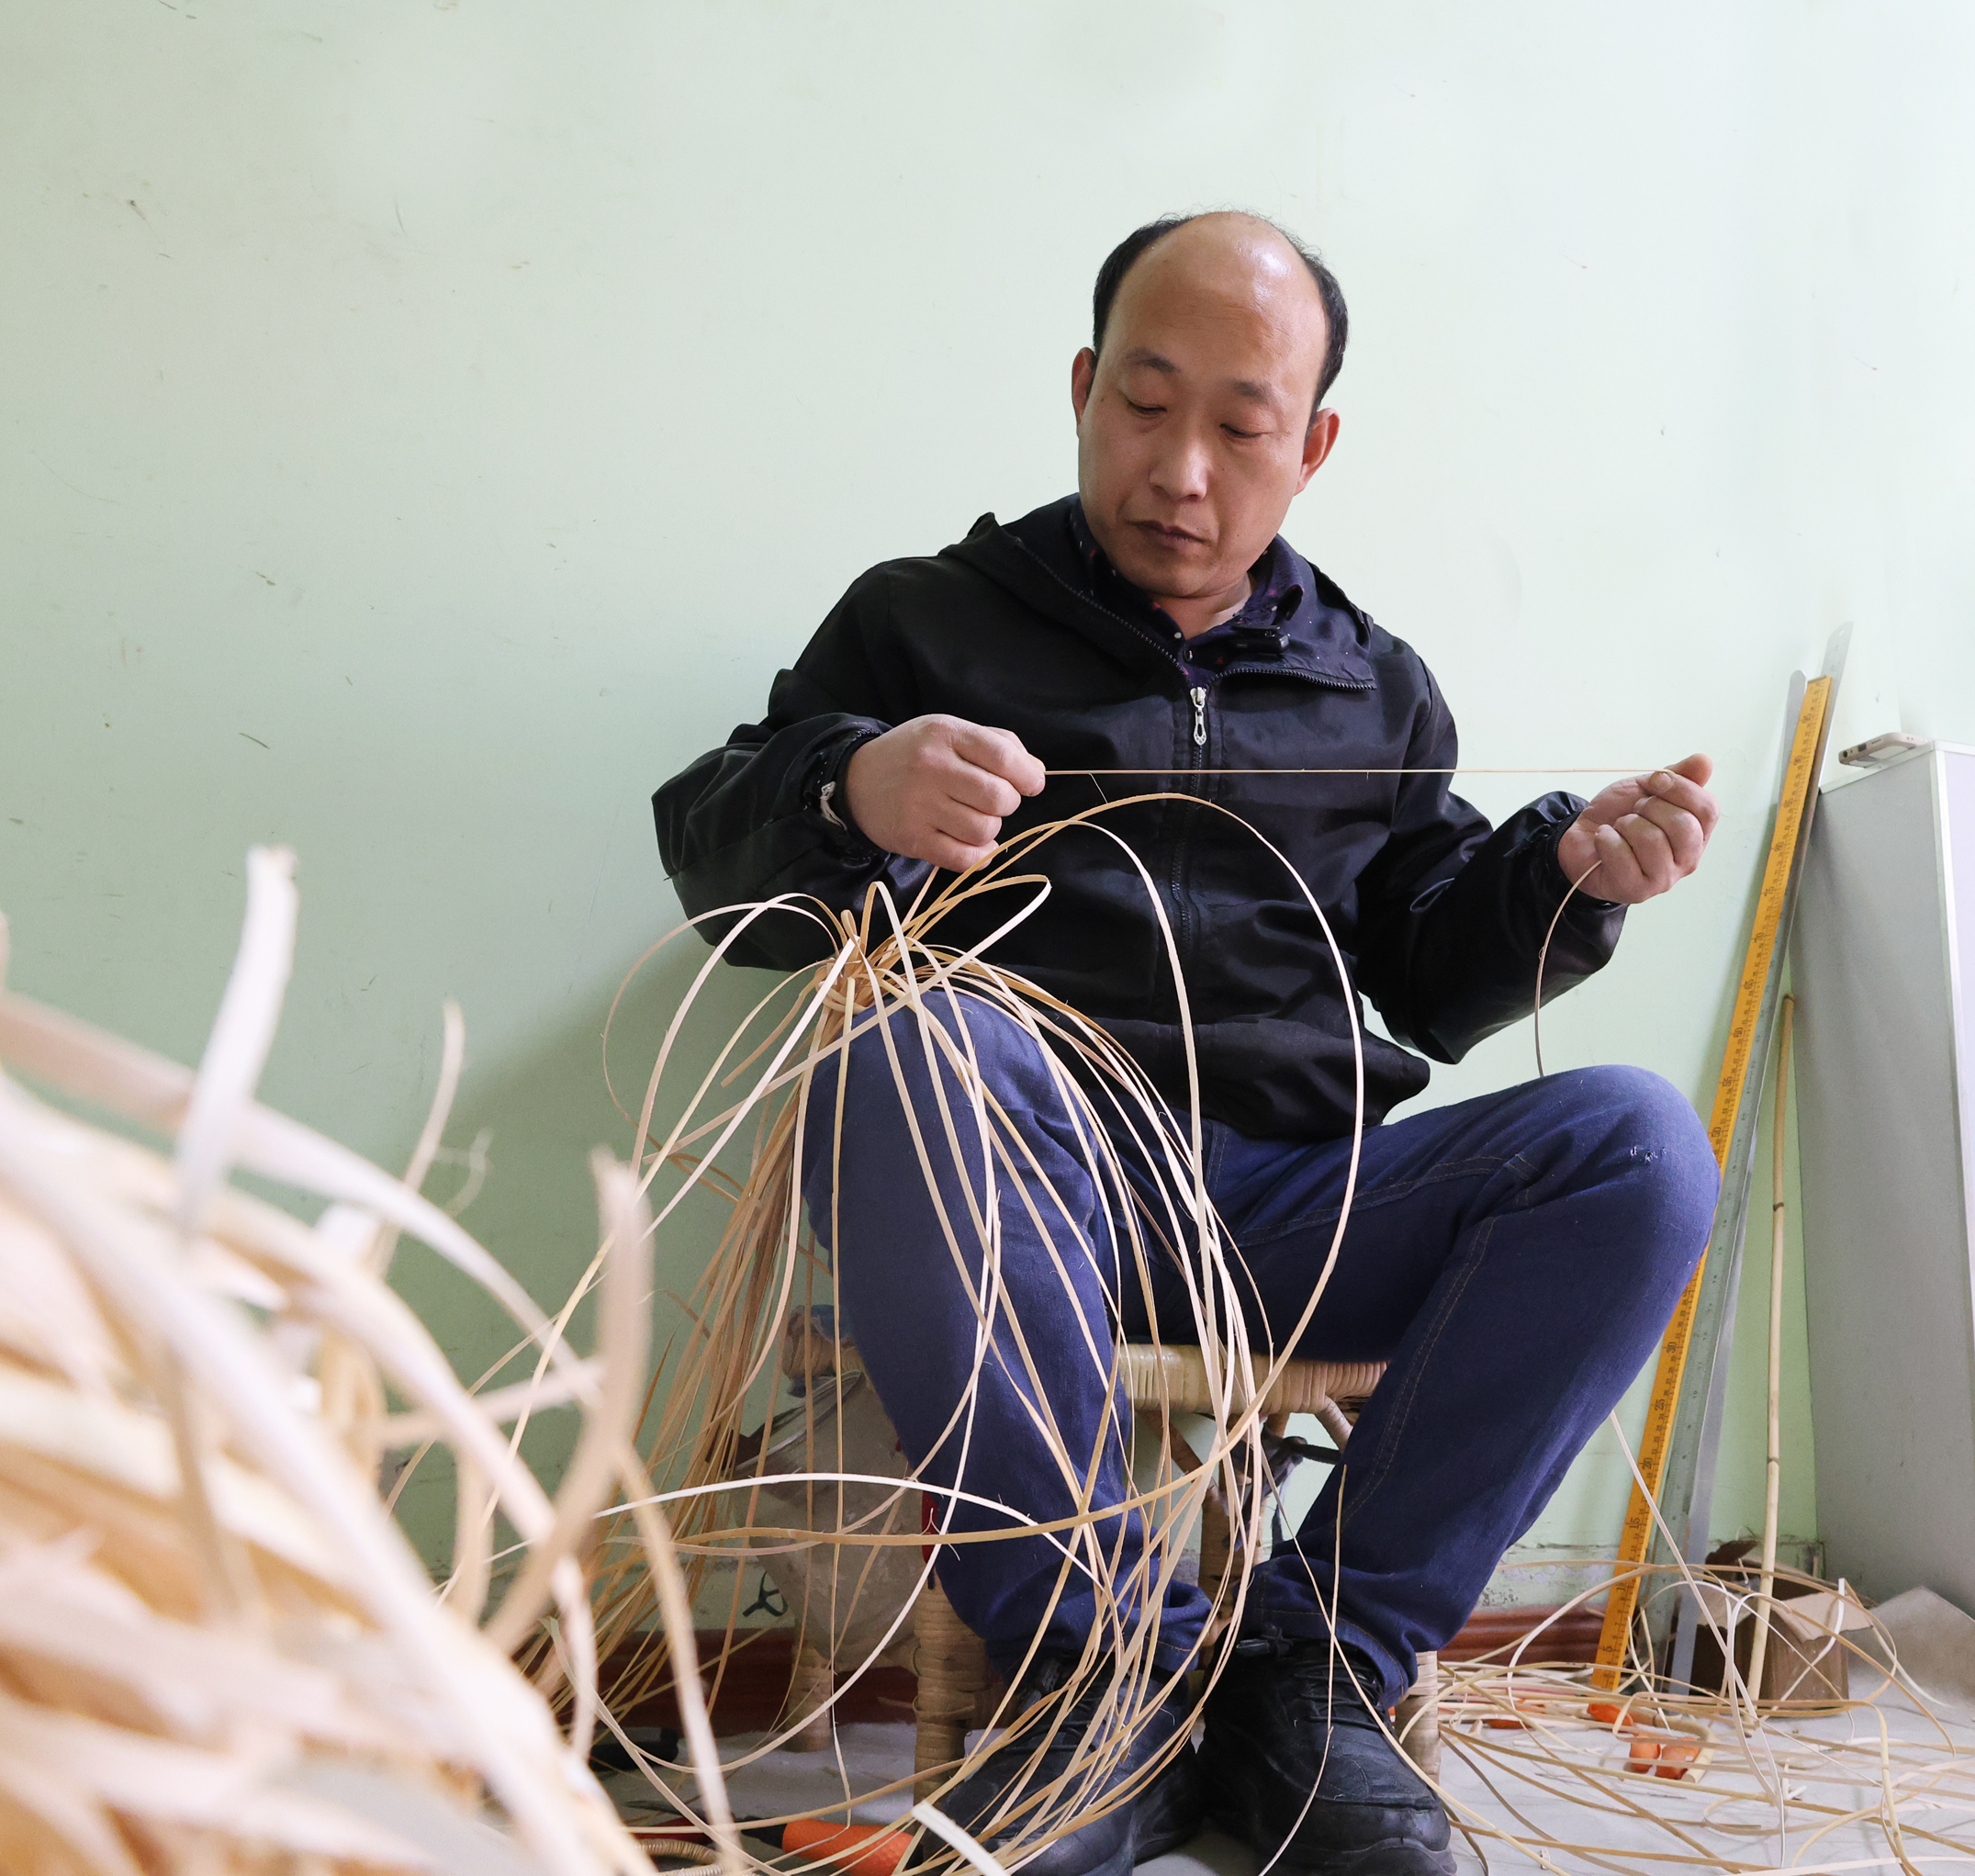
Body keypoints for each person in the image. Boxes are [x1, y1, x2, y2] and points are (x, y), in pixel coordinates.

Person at [654, 212, 1721, 1876]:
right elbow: (727, 872)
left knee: (1639, 1148)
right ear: (1084, 389)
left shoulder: (1371, 682)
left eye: (1241, 425)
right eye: (1146, 407)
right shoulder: (923, 622)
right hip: (1024, 1188)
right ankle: (1106, 1684)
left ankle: (1315, 1669)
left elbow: (1431, 972)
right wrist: (850, 788)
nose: (1184, 471)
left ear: (1315, 447)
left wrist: (1567, 882)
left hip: (1300, 1204)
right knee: (904, 1050)